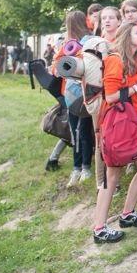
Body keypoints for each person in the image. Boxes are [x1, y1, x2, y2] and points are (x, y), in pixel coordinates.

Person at [91, 22, 137, 243]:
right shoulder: (115, 60)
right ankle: (99, 228)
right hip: (118, 126)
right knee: (112, 177)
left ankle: (127, 214)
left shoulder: (133, 62)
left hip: (133, 124)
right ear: (127, 37)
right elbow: (110, 97)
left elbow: (130, 90)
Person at [55, 11, 95, 186]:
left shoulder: (85, 42)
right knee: (83, 131)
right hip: (80, 92)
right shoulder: (69, 44)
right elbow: (56, 68)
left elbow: (56, 69)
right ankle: (82, 167)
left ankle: (80, 167)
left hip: (75, 94)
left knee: (78, 132)